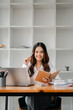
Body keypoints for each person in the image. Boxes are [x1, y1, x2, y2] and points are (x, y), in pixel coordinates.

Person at [21, 42, 61, 110]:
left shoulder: (49, 66)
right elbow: (21, 79)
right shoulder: (29, 67)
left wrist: (50, 81)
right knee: (33, 97)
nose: (39, 54)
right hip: (31, 96)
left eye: (41, 52)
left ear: (44, 53)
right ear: (33, 53)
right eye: (36, 52)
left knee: (38, 98)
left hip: (45, 96)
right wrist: (25, 64)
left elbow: (59, 81)